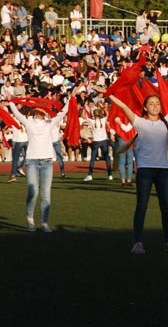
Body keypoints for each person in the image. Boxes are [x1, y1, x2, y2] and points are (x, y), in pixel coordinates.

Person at [109, 83, 168, 254]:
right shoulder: (140, 123)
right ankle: (137, 243)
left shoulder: (166, 123)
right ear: (145, 107)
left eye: (157, 103)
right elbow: (124, 106)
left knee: (167, 208)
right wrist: (109, 94)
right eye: (151, 104)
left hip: (162, 171)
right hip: (145, 171)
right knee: (142, 206)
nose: (155, 106)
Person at [5, 93, 72, 232]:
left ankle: (44, 222)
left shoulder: (49, 123)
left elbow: (63, 112)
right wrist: (10, 100)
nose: (41, 112)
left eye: (43, 110)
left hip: (47, 161)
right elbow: (17, 114)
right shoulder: (29, 122)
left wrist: (71, 98)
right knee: (33, 192)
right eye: (39, 109)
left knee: (46, 194)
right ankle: (30, 219)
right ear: (35, 111)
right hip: (32, 162)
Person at [82, 106, 113, 181]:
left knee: (93, 158)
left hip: (96, 141)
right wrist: (105, 109)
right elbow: (108, 115)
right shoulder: (103, 120)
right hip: (104, 140)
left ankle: (90, 175)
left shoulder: (92, 121)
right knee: (106, 158)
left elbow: (83, 116)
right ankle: (110, 175)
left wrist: (84, 107)